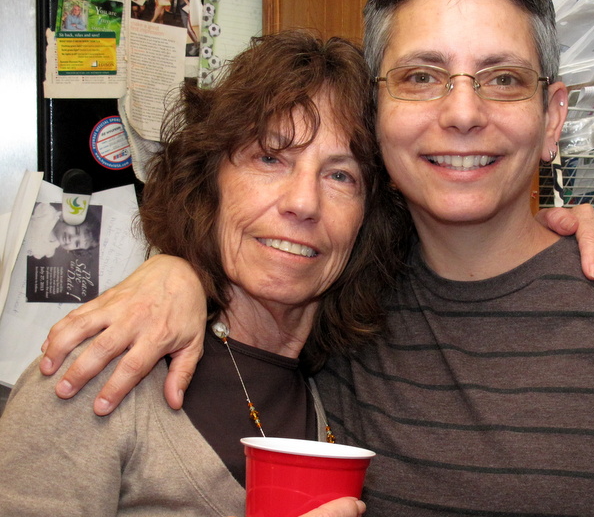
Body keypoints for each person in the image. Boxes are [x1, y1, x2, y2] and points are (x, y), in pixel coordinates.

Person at [43, 0, 594, 516]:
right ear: (376, 114)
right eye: (422, 77)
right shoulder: (342, 313)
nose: (462, 113)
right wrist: (174, 270)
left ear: (551, 117)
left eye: (503, 78)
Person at [0, 31, 399, 517]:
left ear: (366, 219)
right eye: (270, 158)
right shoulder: (98, 374)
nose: (303, 202)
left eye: (340, 175)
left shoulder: (344, 389)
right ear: (209, 183)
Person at [28, 202, 101, 259]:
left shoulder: (49, 251)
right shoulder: (47, 212)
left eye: (77, 243)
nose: (72, 238)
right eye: (76, 230)